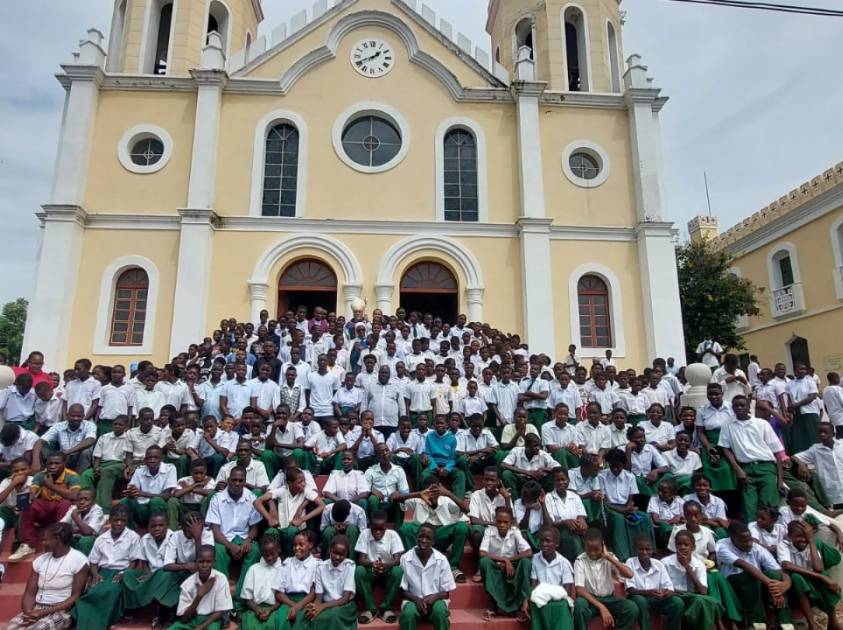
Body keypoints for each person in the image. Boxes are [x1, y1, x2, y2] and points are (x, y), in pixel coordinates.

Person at [4, 523, 89, 630]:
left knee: (39, 628)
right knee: (9, 628)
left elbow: (76, 596)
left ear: (57, 539)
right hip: (36, 609)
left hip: (62, 610)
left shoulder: (79, 561)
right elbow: (30, 593)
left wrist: (43, 613)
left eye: (45, 540)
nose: (43, 543)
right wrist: (29, 613)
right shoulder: (40, 560)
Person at [71, 505, 140, 630]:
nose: (119, 523)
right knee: (93, 592)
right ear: (110, 520)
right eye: (116, 520)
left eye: (123, 520)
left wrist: (124, 573)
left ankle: (98, 624)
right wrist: (95, 574)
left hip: (121, 573)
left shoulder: (133, 537)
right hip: (103, 572)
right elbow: (93, 562)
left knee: (111, 590)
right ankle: (86, 621)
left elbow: (133, 562)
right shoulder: (101, 538)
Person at [718, 394, 784, 522]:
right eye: (736, 406)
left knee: (769, 506)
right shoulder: (728, 425)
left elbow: (777, 452)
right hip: (746, 470)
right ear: (732, 408)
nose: (739, 408)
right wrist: (738, 469)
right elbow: (725, 448)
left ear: (748, 407)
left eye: (742, 405)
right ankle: (751, 532)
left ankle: (771, 532)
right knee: (749, 507)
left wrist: (780, 480)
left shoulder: (761, 424)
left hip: (766, 467)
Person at [715, 520, 793, 627]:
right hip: (733, 584)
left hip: (758, 583)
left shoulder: (756, 547)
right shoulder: (722, 545)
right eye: (744, 541)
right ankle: (757, 621)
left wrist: (785, 584)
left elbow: (779, 570)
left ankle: (786, 623)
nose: (749, 544)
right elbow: (743, 565)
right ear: (733, 538)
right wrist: (772, 585)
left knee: (775, 575)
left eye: (750, 539)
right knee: (752, 575)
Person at [396, 478, 469, 583]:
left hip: (441, 536)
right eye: (429, 491)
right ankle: (414, 564)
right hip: (422, 539)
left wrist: (448, 493)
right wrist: (419, 494)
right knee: (406, 528)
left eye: (436, 490)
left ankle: (453, 567)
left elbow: (466, 510)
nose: (433, 494)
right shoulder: (418, 499)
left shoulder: (445, 500)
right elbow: (395, 498)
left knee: (462, 527)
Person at [11, 451, 79, 561]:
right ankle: (27, 545)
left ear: (64, 464)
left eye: (56, 463)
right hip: (45, 512)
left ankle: (59, 542)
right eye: (50, 463)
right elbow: (33, 492)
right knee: (29, 505)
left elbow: (74, 496)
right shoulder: (40, 475)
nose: (53, 466)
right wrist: (30, 496)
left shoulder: (72, 476)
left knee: (66, 503)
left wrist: (50, 485)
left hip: (63, 513)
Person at [205, 466, 263, 590]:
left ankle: (242, 592)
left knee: (255, 550)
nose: (237, 483)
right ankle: (222, 591)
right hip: (223, 539)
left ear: (245, 481)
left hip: (243, 538)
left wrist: (248, 540)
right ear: (228, 480)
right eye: (234, 480)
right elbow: (215, 530)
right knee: (218, 550)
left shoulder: (251, 498)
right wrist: (230, 546)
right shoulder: (217, 499)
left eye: (240, 480)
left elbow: (254, 527)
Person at [778, 521, 842, 630]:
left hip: (810, 585)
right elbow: (787, 565)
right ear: (790, 536)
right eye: (799, 536)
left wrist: (811, 540)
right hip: (793, 591)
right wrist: (821, 577)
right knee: (797, 577)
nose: (803, 539)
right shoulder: (783, 545)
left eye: (806, 536)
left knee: (825, 578)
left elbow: (818, 568)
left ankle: (832, 620)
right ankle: (812, 624)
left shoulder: (810, 545)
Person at [572, 528, 638, 630]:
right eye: (589, 549)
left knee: (631, 608)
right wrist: (601, 607)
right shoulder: (580, 560)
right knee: (579, 604)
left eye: (596, 549)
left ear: (603, 545)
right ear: (584, 546)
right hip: (590, 601)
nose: (593, 553)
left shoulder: (609, 557)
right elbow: (580, 590)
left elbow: (629, 574)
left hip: (609, 599)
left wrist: (609, 557)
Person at [122, 511, 181, 624]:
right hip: (150, 573)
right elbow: (144, 562)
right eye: (153, 526)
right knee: (128, 574)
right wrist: (147, 574)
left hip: (167, 573)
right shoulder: (145, 539)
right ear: (149, 527)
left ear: (167, 525)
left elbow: (174, 563)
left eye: (160, 525)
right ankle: (132, 608)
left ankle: (163, 613)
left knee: (165, 575)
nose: (157, 528)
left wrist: (151, 577)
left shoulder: (174, 537)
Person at [661, 530, 725, 630]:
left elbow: (703, 591)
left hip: (691, 597)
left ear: (693, 547)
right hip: (673, 598)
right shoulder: (665, 563)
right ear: (675, 546)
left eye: (686, 545)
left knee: (707, 601)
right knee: (703, 601)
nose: (682, 547)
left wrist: (687, 567)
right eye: (679, 544)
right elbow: (663, 589)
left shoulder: (699, 564)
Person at [398, 522, 457, 630]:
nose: (424, 540)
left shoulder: (441, 560)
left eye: (428, 538)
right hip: (413, 600)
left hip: (435, 600)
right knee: (408, 614)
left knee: (440, 611)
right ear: (416, 537)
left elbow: (446, 593)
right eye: (421, 536)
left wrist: (434, 597)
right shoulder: (405, 558)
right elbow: (402, 590)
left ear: (433, 541)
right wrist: (417, 600)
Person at [597, 449, 654, 561]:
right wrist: (622, 511)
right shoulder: (602, 476)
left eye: (618, 466)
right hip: (609, 509)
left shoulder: (630, 477)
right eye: (612, 466)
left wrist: (628, 509)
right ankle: (622, 555)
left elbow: (630, 499)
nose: (615, 469)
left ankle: (648, 550)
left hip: (625, 507)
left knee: (645, 518)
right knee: (619, 519)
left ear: (623, 465)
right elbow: (605, 502)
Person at [478, 505, 533, 619]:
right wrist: (504, 560)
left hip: (512, 566)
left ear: (511, 523)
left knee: (526, 563)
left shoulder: (515, 531)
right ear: (495, 521)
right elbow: (482, 552)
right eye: (499, 521)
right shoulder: (489, 531)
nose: (502, 525)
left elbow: (528, 552)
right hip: (496, 564)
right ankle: (494, 605)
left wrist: (509, 561)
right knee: (484, 562)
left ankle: (523, 604)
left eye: (505, 522)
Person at [254, 466, 323, 556]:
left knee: (291, 531)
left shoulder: (305, 491)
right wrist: (269, 518)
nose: (303, 484)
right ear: (289, 483)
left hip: (297, 530)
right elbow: (257, 502)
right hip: (280, 529)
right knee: (270, 532)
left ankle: (290, 557)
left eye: (304, 481)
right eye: (299, 482)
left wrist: (302, 519)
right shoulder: (282, 491)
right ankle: (272, 558)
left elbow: (322, 506)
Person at [354, 509, 404, 624]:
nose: (377, 532)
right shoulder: (365, 534)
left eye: (381, 529)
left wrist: (383, 565)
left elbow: (397, 560)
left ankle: (385, 608)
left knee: (398, 571)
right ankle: (370, 608)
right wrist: (373, 564)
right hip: (370, 570)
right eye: (374, 529)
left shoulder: (393, 535)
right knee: (359, 570)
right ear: (370, 526)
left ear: (386, 527)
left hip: (387, 571)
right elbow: (361, 560)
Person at [522, 526, 575, 630]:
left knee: (561, 606)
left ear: (557, 543)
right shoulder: (535, 559)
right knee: (534, 603)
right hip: (540, 597)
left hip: (558, 599)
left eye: (548, 541)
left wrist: (549, 593)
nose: (544, 544)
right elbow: (533, 585)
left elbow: (566, 591)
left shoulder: (564, 563)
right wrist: (526, 599)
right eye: (541, 540)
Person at [169, 545, 233, 630]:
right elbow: (183, 619)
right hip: (192, 619)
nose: (204, 565)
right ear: (196, 562)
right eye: (201, 562)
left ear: (214, 562)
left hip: (211, 619)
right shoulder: (188, 584)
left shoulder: (221, 579)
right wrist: (199, 596)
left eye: (208, 562)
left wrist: (201, 627)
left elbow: (221, 611)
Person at [301, 535, 357, 630]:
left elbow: (345, 598)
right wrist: (314, 606)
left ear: (346, 554)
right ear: (330, 550)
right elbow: (319, 598)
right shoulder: (321, 567)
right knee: (311, 616)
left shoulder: (350, 566)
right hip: (326, 604)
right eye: (335, 553)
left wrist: (322, 607)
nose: (337, 557)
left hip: (344, 606)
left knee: (333, 616)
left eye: (341, 555)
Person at [121, 444, 178, 529]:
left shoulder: (170, 468)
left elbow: (167, 496)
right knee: (125, 501)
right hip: (142, 509)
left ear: (161, 459)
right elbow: (133, 490)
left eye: (155, 457)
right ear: (145, 460)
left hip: (159, 508)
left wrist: (142, 493)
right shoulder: (139, 470)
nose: (152, 460)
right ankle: (129, 531)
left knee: (156, 501)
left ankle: (157, 529)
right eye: (149, 458)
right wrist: (130, 493)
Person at [273, 530, 319, 629]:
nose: (297, 547)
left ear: (310, 545)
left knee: (303, 620)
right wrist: (294, 606)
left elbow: (313, 592)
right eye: (294, 545)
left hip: (306, 601)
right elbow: (279, 593)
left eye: (301, 544)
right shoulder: (287, 563)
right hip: (287, 601)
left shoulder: (317, 564)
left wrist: (298, 607)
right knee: (281, 619)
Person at [793, 422, 843, 510]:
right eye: (820, 432)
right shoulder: (815, 450)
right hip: (834, 491)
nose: (822, 434)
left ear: (833, 434)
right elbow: (795, 457)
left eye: (825, 432)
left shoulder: (841, 445)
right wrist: (802, 465)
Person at [239, 535, 285, 630]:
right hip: (255, 608)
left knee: (274, 625)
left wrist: (270, 610)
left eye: (272, 554)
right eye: (266, 555)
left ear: (279, 550)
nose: (269, 558)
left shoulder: (284, 569)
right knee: (250, 626)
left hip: (276, 609)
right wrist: (257, 610)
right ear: (261, 553)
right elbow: (247, 598)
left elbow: (283, 597)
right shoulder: (253, 569)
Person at [421, 416, 466, 500]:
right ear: (434, 425)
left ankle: (457, 501)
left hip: (447, 464)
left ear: (447, 425)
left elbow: (453, 457)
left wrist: (447, 469)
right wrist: (436, 468)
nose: (439, 425)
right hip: (434, 464)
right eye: (437, 423)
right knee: (424, 474)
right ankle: (428, 498)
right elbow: (428, 454)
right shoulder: (429, 437)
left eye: (442, 423)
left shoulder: (452, 438)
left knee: (460, 474)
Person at [785, 363, 823, 455]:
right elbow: (789, 398)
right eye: (800, 369)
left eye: (804, 369)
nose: (803, 371)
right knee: (799, 438)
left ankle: (817, 455)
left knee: (813, 436)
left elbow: (812, 397)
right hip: (796, 414)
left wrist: (796, 405)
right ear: (795, 371)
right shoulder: (790, 384)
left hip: (809, 412)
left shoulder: (810, 382)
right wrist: (790, 410)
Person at [58, 487, 106, 555]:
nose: (82, 502)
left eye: (86, 499)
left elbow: (87, 532)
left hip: (93, 542)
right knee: (61, 537)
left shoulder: (97, 511)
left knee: (86, 540)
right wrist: (77, 531)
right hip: (76, 538)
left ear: (94, 501)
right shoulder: (73, 508)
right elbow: (60, 527)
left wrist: (75, 517)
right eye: (80, 499)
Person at [647, 478, 684, 549]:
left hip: (676, 528)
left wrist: (679, 519)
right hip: (660, 530)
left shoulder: (679, 501)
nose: (660, 493)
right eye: (659, 490)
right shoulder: (654, 499)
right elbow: (656, 520)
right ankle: (666, 550)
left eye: (664, 492)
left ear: (673, 493)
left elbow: (682, 517)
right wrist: (671, 521)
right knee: (665, 528)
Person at [541, 404, 580, 470]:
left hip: (568, 456)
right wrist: (566, 447)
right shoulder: (546, 427)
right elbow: (550, 448)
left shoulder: (572, 428)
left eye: (565, 414)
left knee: (577, 456)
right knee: (560, 452)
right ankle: (563, 473)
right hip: (552, 457)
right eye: (560, 414)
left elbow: (575, 447)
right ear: (555, 414)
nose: (563, 416)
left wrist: (573, 447)